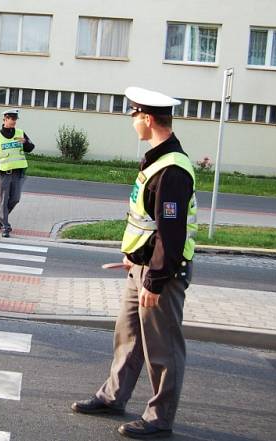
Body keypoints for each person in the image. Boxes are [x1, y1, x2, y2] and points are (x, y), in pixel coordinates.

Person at [70, 87, 197, 439]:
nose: (132, 123)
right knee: (127, 336)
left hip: (161, 274)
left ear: (148, 118)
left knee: (163, 347)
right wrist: (134, 256)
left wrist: (155, 280)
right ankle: (113, 396)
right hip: (140, 268)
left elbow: (172, 234)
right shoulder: (157, 160)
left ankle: (160, 418)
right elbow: (149, 221)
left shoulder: (172, 170)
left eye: (134, 116)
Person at [0, 108, 35, 238]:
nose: (14, 121)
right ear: (5, 119)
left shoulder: (20, 133)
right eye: (11, 119)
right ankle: (5, 227)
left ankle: (0, 217)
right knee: (3, 200)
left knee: (15, 199)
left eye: (15, 119)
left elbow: (31, 148)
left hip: (18, 173)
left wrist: (26, 142)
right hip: (4, 173)